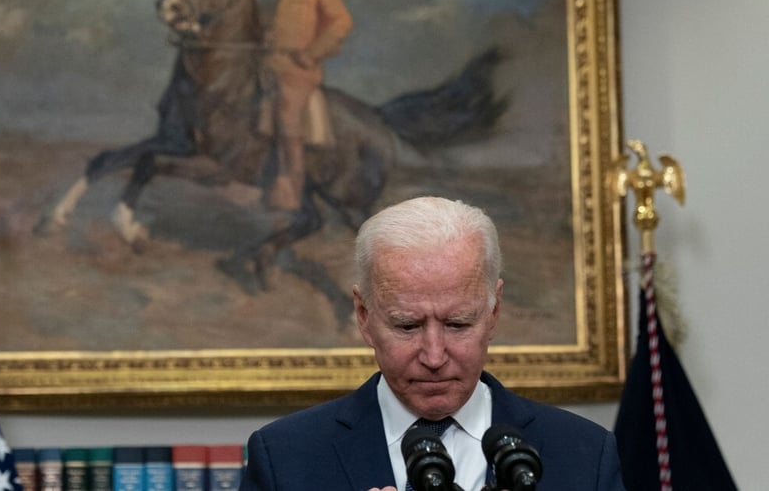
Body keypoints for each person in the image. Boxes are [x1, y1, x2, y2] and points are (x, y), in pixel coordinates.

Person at [239, 196, 625, 491]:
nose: (435, 356)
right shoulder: (285, 458)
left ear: (493, 312)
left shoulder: (586, 455)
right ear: (363, 315)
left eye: (458, 324)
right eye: (407, 326)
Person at [258, 0, 353, 210]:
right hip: (266, 65)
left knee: (288, 116)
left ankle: (291, 190)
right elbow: (261, 25)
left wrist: (313, 52)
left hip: (299, 70)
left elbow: (341, 22)